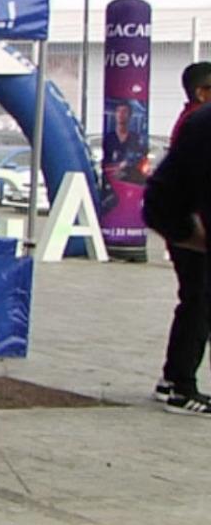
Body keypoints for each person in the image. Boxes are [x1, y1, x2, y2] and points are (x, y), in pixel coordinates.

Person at [155, 62, 211, 414]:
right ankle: (181, 386)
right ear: (202, 92)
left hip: (187, 228)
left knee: (196, 302)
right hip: (194, 232)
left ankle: (172, 379)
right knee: (198, 303)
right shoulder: (197, 125)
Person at [103, 101, 149, 182]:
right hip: (110, 181)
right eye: (118, 111)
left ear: (130, 115)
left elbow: (140, 160)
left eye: (124, 111)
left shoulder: (136, 139)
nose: (121, 114)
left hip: (131, 181)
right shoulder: (108, 138)